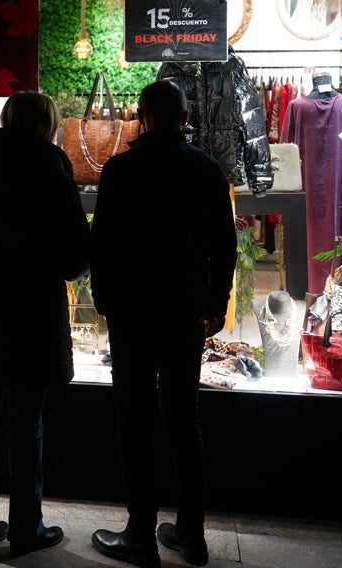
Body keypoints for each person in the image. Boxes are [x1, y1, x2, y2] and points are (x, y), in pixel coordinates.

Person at [89, 79, 236, 568]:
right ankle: (191, 535)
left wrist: (105, 300)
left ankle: (140, 534)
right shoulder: (206, 170)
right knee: (182, 420)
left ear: (142, 118)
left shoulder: (121, 169)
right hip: (183, 310)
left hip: (132, 312)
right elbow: (224, 246)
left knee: (135, 422)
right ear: (186, 118)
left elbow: (103, 244)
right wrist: (216, 302)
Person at [0, 91, 90, 557]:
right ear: (47, 125)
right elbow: (74, 257)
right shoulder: (52, 170)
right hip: (32, 313)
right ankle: (27, 529)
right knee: (27, 421)